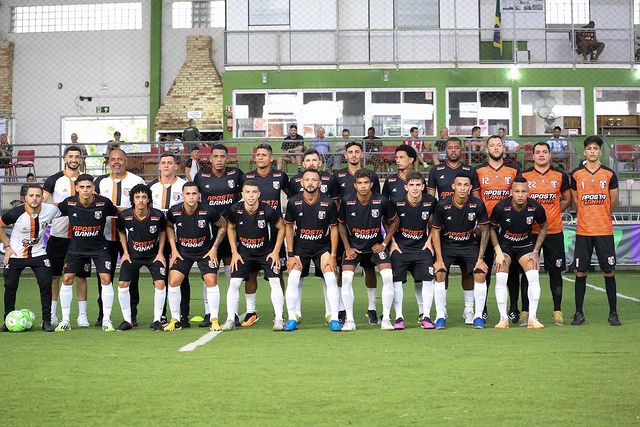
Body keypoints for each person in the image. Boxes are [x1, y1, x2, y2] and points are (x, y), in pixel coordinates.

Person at [55, 174, 119, 332]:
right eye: (82, 187)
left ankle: (106, 320)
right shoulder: (69, 203)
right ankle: (65, 320)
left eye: (88, 187)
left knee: (106, 278)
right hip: (76, 247)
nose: (85, 190)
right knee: (68, 278)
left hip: (99, 247)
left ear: (93, 188)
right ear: (77, 188)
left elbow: (117, 213)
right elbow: (53, 210)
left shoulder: (104, 203)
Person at [338, 168, 399, 331]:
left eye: (366, 183)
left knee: (386, 276)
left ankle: (385, 318)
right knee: (346, 278)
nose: (363, 186)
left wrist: (385, 244)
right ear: (355, 185)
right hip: (354, 248)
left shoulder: (382, 201)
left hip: (375, 246)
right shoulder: (347, 201)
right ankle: (349, 320)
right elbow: (341, 224)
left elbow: (394, 221)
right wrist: (347, 247)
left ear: (372, 184)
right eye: (360, 183)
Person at [569, 135, 620, 326]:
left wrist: (601, 214)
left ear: (600, 152)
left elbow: (613, 201)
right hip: (583, 231)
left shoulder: (609, 174)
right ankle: (578, 313)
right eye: (589, 148)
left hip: (604, 231)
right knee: (580, 272)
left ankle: (613, 313)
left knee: (609, 272)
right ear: (584, 152)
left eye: (595, 148)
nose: (592, 151)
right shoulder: (576, 174)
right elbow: (575, 202)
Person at [164, 182, 228, 332]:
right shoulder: (174, 211)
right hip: (183, 252)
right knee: (173, 281)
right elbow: (168, 226)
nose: (191, 197)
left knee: (211, 280)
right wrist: (174, 250)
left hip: (205, 251)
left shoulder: (208, 210)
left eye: (194, 194)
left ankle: (214, 319)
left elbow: (223, 226)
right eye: (188, 193)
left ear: (199, 195)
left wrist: (214, 249)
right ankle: (175, 319)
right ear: (182, 194)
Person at [223, 181, 286, 331]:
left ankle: (279, 318)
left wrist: (276, 251)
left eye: (254, 192)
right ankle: (231, 319)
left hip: (266, 253)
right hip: (244, 253)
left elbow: (282, 227)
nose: (251, 195)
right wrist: (234, 252)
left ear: (259, 194)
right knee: (234, 283)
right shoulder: (235, 210)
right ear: (242, 194)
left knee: (275, 282)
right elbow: (230, 228)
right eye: (247, 192)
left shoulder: (268, 210)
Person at [193, 143, 245, 327]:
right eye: (216, 156)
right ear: (210, 158)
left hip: (231, 229)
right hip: (210, 231)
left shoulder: (236, 174)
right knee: (209, 273)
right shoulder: (201, 176)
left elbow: (245, 196)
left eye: (223, 156)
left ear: (227, 158)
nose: (219, 160)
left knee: (232, 272)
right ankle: (209, 313)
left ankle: (234, 314)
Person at [283, 169, 340, 332]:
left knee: (330, 277)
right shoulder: (293, 202)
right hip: (300, 248)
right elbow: (288, 227)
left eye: (314, 180)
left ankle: (334, 317)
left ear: (320, 183)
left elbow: (334, 229)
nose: (310, 183)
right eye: (307, 180)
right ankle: (292, 317)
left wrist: (333, 255)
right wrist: (290, 254)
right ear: (301, 183)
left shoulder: (328, 203)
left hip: (322, 247)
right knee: (293, 277)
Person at [431, 173, 490, 329]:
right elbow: (435, 231)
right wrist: (438, 258)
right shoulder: (442, 205)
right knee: (439, 272)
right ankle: (440, 315)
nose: (462, 188)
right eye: (459, 184)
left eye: (466, 185)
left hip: (469, 245)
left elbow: (485, 230)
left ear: (470, 187)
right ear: (453, 186)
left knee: (479, 273)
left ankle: (474, 314)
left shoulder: (477, 204)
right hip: (447, 245)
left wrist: (481, 258)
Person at [521, 142, 572, 325]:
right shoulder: (525, 176)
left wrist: (554, 211)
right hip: (531, 232)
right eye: (537, 152)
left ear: (550, 155)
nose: (541, 155)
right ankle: (525, 311)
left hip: (554, 231)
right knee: (528, 272)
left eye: (544, 152)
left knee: (555, 271)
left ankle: (557, 310)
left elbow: (567, 199)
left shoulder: (560, 176)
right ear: (532, 156)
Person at [94, 148, 145, 326]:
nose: (117, 162)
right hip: (105, 236)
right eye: (113, 159)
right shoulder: (100, 181)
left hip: (130, 237)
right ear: (109, 161)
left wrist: (117, 210)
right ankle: (103, 315)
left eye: (120, 159)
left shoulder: (136, 180)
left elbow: (141, 206)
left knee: (131, 276)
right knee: (104, 276)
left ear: (126, 161)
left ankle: (132, 315)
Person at [489, 176, 548, 329]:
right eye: (517, 191)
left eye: (523, 191)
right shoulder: (501, 207)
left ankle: (533, 318)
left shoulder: (535, 207)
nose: (520, 195)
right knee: (501, 275)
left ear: (528, 192)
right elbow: (492, 229)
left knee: (534, 275)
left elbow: (544, 227)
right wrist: (498, 251)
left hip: (525, 246)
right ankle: (503, 319)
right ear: (511, 192)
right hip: (505, 246)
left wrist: (536, 251)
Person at [0, 185, 60, 332]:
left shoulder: (51, 210)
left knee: (46, 284)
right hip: (16, 255)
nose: (34, 199)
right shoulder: (15, 213)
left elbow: (67, 208)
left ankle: (47, 321)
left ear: (43, 197)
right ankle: (8, 320)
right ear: (25, 198)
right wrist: (7, 247)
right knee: (10, 286)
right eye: (31, 196)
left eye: (38, 196)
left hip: (39, 254)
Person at [333, 141, 381, 323]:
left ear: (361, 154)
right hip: (346, 231)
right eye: (350, 152)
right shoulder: (338, 176)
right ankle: (341, 309)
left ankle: (372, 308)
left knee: (369, 269)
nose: (353, 155)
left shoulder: (372, 176)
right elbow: (337, 203)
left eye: (356, 152)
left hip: (368, 232)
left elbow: (375, 202)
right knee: (342, 270)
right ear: (345, 155)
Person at [475, 135, 521, 322]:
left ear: (503, 148)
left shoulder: (514, 170)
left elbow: (519, 195)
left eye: (499, 145)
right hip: (486, 228)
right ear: (487, 149)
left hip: (508, 227)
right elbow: (476, 198)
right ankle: (483, 308)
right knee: (484, 268)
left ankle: (514, 308)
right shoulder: (477, 171)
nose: (495, 148)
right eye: (492, 145)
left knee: (511, 270)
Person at [242, 143, 289, 326]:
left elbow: (291, 196)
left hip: (274, 233)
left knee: (277, 274)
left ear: (271, 158)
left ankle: (280, 312)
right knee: (251, 274)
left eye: (264, 155)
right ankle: (251, 312)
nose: (260, 157)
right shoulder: (248, 177)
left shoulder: (280, 176)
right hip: (252, 234)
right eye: (258, 155)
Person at [43, 146, 89, 327]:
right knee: (55, 275)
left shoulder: (86, 180)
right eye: (70, 156)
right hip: (59, 234)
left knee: (81, 276)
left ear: (81, 159)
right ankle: (53, 314)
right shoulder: (54, 179)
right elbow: (43, 203)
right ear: (65, 158)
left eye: (77, 156)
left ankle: (82, 315)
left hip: (81, 236)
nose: (74, 159)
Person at [388, 172, 437, 330]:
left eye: (418, 185)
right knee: (396, 281)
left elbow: (435, 223)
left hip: (422, 247)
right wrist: (392, 242)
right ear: (406, 186)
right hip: (401, 248)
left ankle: (427, 316)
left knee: (428, 279)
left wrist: (430, 241)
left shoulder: (431, 201)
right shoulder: (396, 202)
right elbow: (386, 221)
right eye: (412, 185)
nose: (415, 188)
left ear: (423, 187)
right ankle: (399, 317)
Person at [116, 184, 167, 331]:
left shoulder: (158, 215)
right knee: (123, 285)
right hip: (133, 256)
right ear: (132, 199)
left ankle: (157, 320)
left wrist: (160, 253)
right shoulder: (125, 215)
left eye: (144, 197)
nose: (141, 200)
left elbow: (163, 231)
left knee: (160, 284)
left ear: (149, 199)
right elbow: (120, 231)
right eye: (137, 197)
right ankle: (127, 320)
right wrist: (125, 252)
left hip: (153, 256)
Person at [149, 153, 189, 326]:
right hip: (157, 238)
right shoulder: (150, 187)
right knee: (160, 276)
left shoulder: (184, 186)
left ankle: (183, 315)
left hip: (179, 238)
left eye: (170, 163)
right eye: (163, 163)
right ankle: (162, 315)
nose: (166, 166)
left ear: (176, 167)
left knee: (181, 276)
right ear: (159, 166)